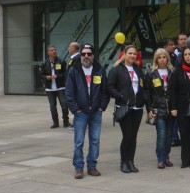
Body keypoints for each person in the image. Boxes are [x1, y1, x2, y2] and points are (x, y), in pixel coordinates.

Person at [65, 44, 109, 179]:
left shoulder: (100, 70)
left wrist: (102, 107)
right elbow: (69, 92)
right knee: (79, 141)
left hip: (96, 112)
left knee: (95, 140)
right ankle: (78, 168)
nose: (86, 56)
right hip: (81, 112)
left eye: (89, 54)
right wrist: (76, 110)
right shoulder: (74, 70)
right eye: (83, 54)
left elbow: (105, 91)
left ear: (93, 55)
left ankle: (92, 166)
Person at [107, 45, 149, 174]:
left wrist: (147, 105)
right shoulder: (116, 70)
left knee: (134, 136)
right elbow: (109, 86)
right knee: (127, 135)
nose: (132, 56)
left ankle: (131, 161)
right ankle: (124, 162)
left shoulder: (138, 70)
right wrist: (120, 95)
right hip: (124, 107)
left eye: (134, 54)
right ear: (124, 54)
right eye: (130, 53)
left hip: (138, 107)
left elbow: (144, 88)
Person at [148, 48, 175, 169]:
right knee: (162, 135)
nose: (162, 59)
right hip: (158, 108)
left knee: (169, 136)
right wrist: (149, 108)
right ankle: (160, 159)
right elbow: (147, 92)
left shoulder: (172, 72)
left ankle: (166, 157)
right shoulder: (151, 73)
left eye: (164, 57)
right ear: (156, 59)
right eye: (159, 57)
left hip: (171, 108)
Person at [41, 45, 70, 128]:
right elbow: (41, 75)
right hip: (50, 89)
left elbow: (65, 74)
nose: (54, 51)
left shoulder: (61, 61)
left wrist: (58, 76)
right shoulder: (44, 63)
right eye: (52, 50)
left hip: (60, 87)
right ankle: (55, 123)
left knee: (64, 105)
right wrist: (46, 77)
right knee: (52, 106)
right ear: (48, 53)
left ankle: (66, 122)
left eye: (55, 50)